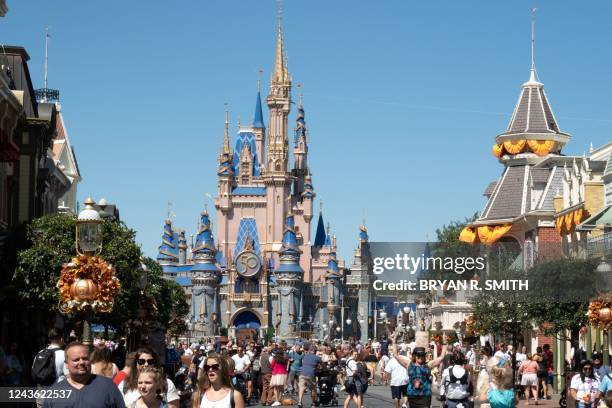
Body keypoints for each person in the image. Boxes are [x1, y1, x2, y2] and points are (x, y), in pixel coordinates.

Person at [42, 342, 125, 408]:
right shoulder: (55, 392)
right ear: (66, 364)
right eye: (76, 360)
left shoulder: (108, 387)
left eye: (85, 358)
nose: (81, 362)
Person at [391, 331, 446, 408]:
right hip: (412, 395)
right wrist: (394, 341)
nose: (420, 357)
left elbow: (442, 357)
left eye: (422, 355)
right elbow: (396, 355)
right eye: (418, 355)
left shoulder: (428, 365)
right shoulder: (409, 364)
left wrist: (444, 343)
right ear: (414, 356)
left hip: (425, 395)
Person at [297, 343, 321, 408]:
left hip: (302, 373)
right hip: (310, 374)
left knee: (301, 387)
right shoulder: (317, 358)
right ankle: (313, 403)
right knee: (313, 389)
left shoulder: (305, 356)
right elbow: (322, 366)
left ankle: (299, 402)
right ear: (315, 351)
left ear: (310, 350)